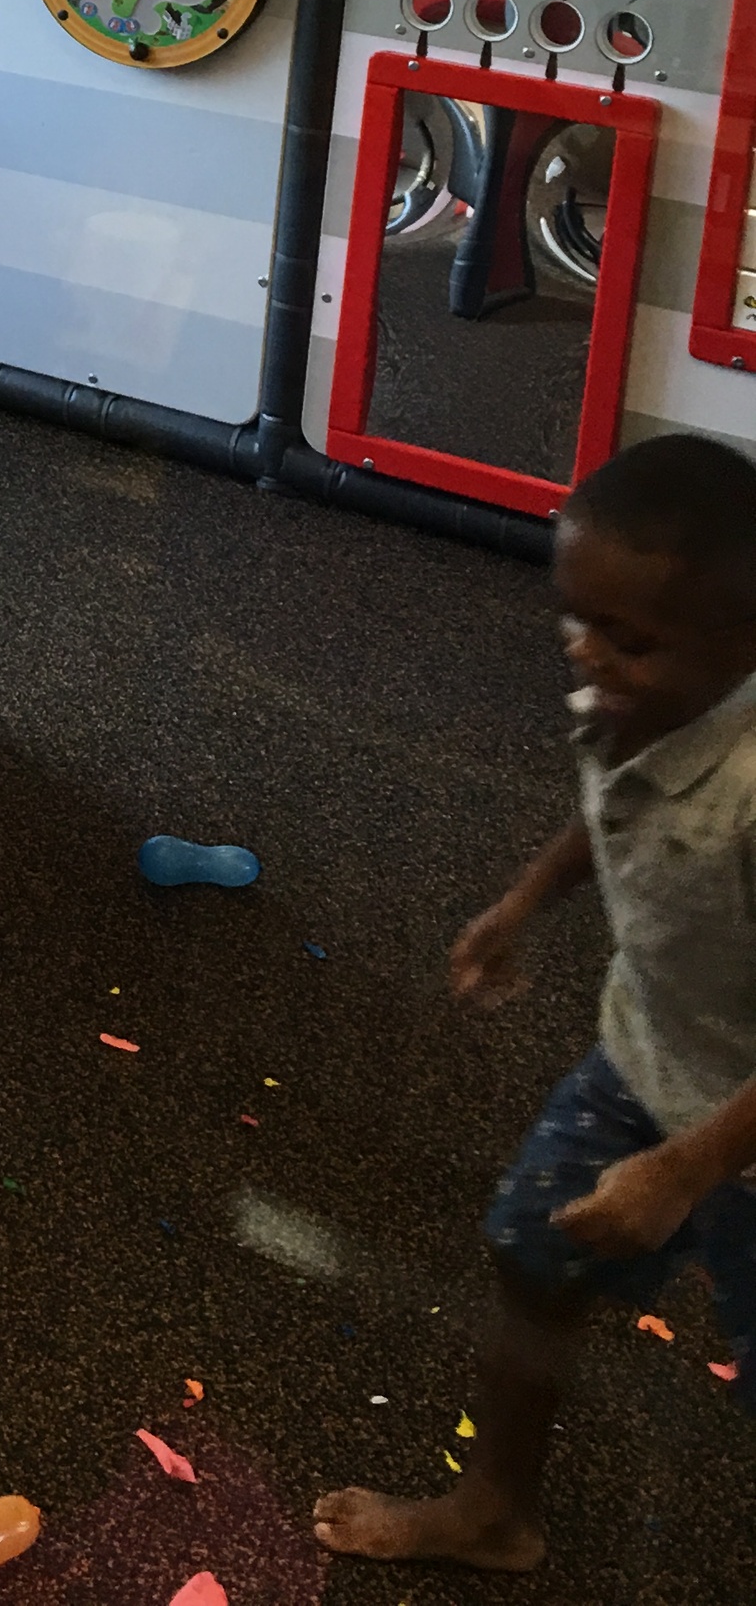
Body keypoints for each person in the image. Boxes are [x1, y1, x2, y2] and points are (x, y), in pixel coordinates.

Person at [314, 432, 756, 1574]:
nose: (588, 654)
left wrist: (686, 1169)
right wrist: (520, 903)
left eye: (627, 638)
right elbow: (612, 807)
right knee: (533, 1251)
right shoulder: (632, 700)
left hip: (741, 1129)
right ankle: (494, 1509)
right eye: (575, 620)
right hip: (646, 1060)